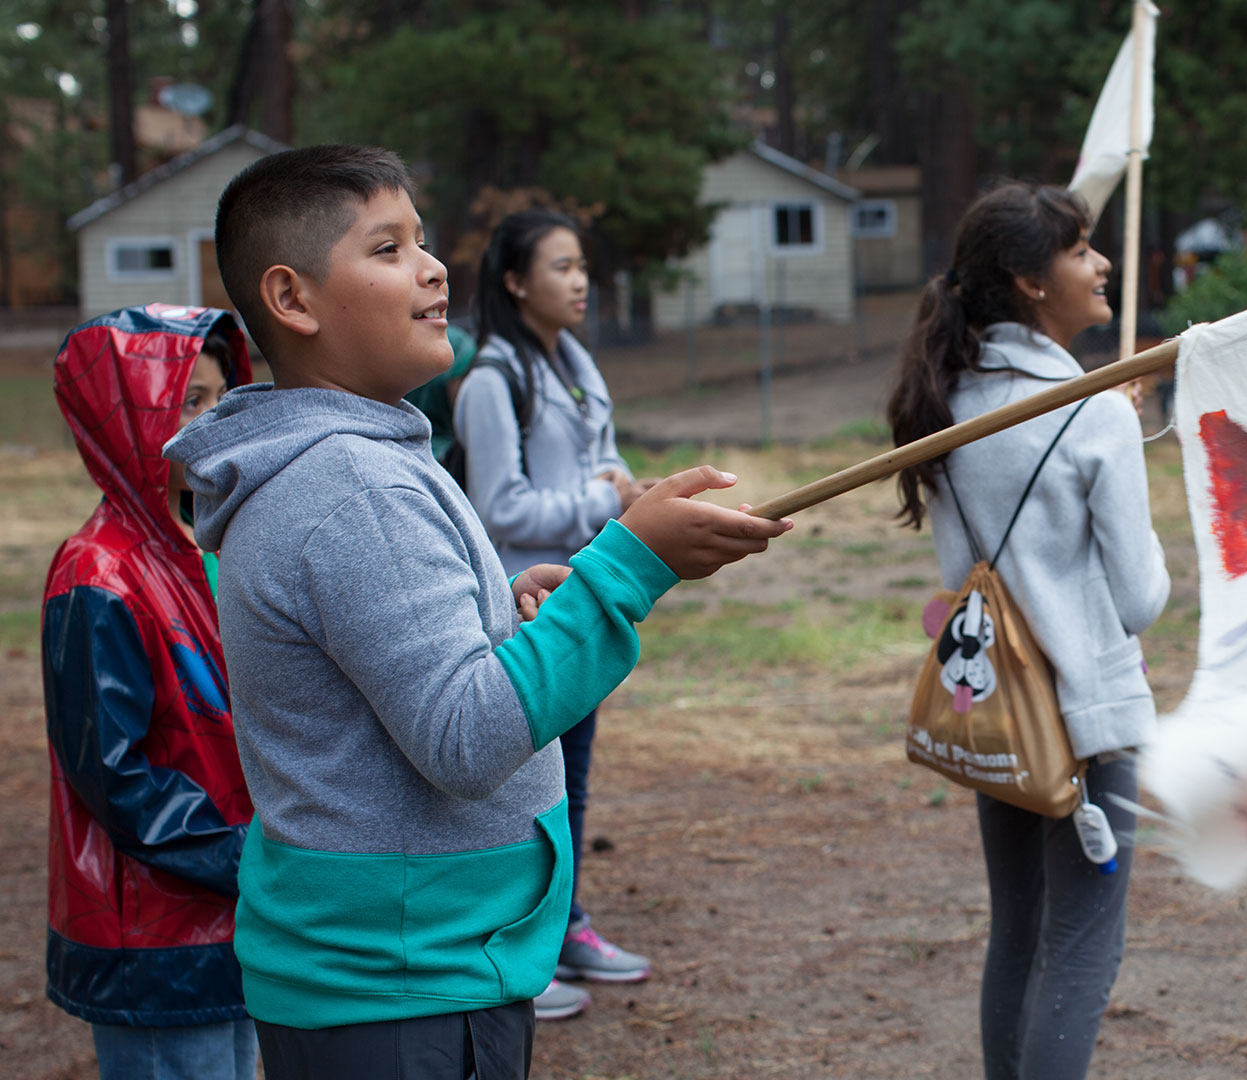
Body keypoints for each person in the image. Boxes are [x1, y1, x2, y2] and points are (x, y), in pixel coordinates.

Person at [163, 144, 790, 1079]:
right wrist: (629, 567)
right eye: (387, 249)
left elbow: (398, 679)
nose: (432, 266)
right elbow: (463, 736)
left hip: (396, 972)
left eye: (422, 240)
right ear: (291, 301)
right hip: (404, 991)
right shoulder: (352, 486)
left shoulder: (355, 462)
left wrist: (501, 616)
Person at [884, 183, 1170, 1080]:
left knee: (1017, 932)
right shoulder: (1094, 412)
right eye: (1080, 249)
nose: (1102, 263)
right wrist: (1122, 437)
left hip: (994, 706)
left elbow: (953, 575)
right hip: (1089, 722)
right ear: (1029, 280)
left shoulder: (946, 400)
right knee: (1081, 952)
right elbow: (1143, 598)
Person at [42, 305, 255, 1079]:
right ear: (127, 414)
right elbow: (115, 775)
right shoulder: (98, 574)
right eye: (187, 400)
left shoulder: (209, 543)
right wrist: (247, 857)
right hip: (156, 932)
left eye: (221, 396)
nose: (214, 420)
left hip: (237, 908)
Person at [454, 210, 653, 1020]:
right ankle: (513, 949)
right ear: (514, 281)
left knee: (569, 783)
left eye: (582, 267)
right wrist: (602, 499)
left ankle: (564, 927)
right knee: (523, 793)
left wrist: (621, 486)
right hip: (524, 614)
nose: (579, 282)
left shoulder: (572, 365)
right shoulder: (494, 383)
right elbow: (498, 508)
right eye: (561, 267)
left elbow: (599, 457)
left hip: (577, 603)